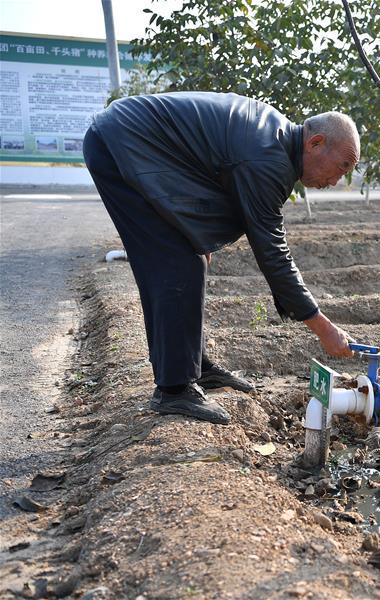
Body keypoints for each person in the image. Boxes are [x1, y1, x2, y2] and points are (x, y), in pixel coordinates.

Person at [83, 92, 357, 425]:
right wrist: (322, 327)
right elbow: (272, 251)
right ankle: (173, 390)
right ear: (315, 143)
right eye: (342, 166)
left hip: (136, 141)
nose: (337, 180)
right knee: (177, 262)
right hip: (121, 144)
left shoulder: (276, 141)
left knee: (189, 256)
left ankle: (194, 366)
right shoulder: (267, 158)